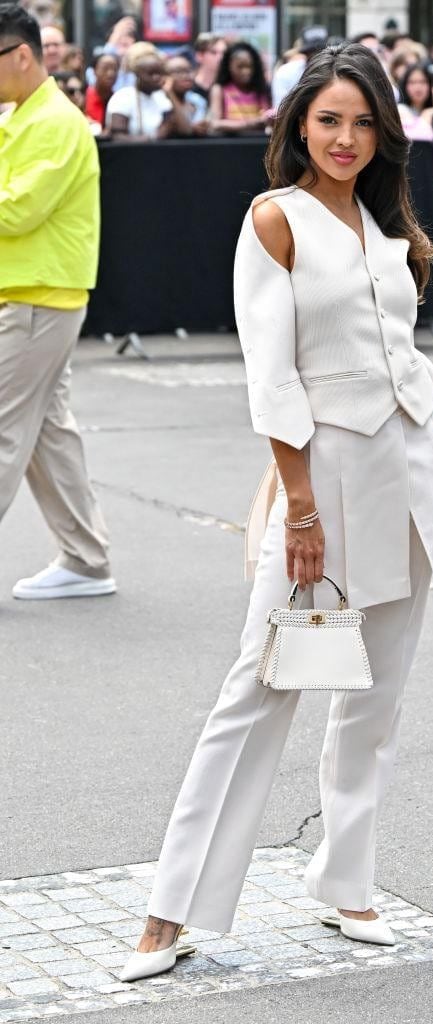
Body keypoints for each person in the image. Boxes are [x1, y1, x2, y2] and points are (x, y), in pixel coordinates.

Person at [120, 39, 433, 984]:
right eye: (329, 121)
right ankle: (171, 908)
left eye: (363, 122)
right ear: (297, 125)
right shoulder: (274, 219)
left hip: (410, 478)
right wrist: (299, 510)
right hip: (325, 481)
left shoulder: (385, 224)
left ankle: (346, 882)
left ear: (384, 132)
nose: (346, 138)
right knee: (257, 690)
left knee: (376, 697)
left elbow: (394, 343)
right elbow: (273, 381)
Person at [0, 2, 116, 600]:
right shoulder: (24, 114)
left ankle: (87, 557)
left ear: (21, 55)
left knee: (8, 430)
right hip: (34, 294)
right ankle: (87, 558)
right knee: (46, 431)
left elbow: (18, 210)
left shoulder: (53, 122)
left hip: (37, 296)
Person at [106, 51, 175, 140]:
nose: (156, 77)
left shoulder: (162, 97)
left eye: (159, 73)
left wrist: (170, 93)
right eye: (151, 74)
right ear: (137, 75)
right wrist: (150, 139)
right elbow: (117, 136)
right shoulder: (123, 97)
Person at [209, 41, 272, 135]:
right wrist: (250, 123)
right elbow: (215, 124)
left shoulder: (260, 88)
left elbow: (266, 120)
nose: (246, 71)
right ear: (229, 66)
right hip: (229, 145)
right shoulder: (219, 89)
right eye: (240, 67)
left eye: (249, 66)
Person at [271, 25, 327, 109]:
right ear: (305, 53)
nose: (316, 56)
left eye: (321, 51)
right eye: (311, 51)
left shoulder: (338, 73)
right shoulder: (286, 73)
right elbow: (280, 109)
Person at [163, 54, 208, 135]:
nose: (186, 76)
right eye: (179, 72)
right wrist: (170, 93)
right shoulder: (160, 101)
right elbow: (185, 131)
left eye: (188, 71)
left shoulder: (198, 100)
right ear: (166, 76)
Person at [397, 64, 433, 141]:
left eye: (423, 82)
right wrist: (425, 120)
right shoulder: (400, 110)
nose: (418, 87)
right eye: (412, 82)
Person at [84, 51, 118, 128]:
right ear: (94, 71)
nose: (110, 73)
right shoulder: (82, 96)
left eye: (115, 69)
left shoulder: (118, 100)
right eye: (105, 68)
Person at [192, 31, 226, 105]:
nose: (221, 57)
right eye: (213, 52)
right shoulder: (188, 86)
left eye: (224, 53)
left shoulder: (228, 87)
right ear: (199, 56)